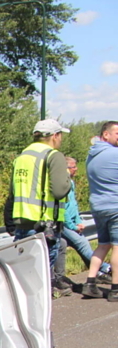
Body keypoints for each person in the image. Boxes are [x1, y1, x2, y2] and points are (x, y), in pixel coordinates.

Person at [4, 118, 73, 297]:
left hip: (22, 221)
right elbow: (59, 191)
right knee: (40, 278)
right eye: (60, 136)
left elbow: (12, 192)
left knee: (23, 275)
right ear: (55, 136)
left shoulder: (22, 157)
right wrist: (67, 179)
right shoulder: (53, 155)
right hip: (45, 223)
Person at [55, 156, 111, 285]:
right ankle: (106, 268)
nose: (76, 169)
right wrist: (72, 226)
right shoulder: (62, 184)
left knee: (80, 246)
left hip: (71, 223)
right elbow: (62, 209)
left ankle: (98, 273)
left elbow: (73, 206)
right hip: (64, 223)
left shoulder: (71, 183)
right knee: (82, 245)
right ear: (65, 169)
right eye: (73, 167)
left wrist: (78, 221)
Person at [83, 121, 118, 300]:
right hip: (115, 205)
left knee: (103, 244)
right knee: (117, 247)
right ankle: (115, 289)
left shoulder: (91, 155)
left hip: (97, 206)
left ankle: (90, 282)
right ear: (106, 134)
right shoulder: (115, 154)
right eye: (117, 133)